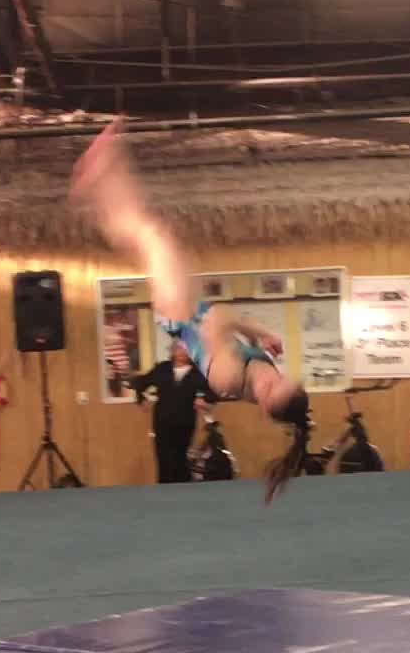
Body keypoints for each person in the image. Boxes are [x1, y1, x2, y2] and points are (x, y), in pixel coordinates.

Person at [69, 116, 312, 503]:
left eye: (270, 388)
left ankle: (99, 175)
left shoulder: (229, 379)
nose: (271, 377)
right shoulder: (266, 376)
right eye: (281, 378)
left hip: (179, 315)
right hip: (192, 308)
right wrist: (255, 335)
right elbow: (226, 323)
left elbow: (219, 319)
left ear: (264, 405)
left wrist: (258, 332)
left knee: (150, 235)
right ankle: (101, 174)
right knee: (154, 234)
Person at [130, 336, 219, 483]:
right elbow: (140, 382)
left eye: (185, 348)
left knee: (180, 460)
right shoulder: (162, 368)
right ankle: (164, 492)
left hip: (185, 422)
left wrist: (204, 400)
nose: (182, 351)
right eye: (178, 348)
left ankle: (183, 492)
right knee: (163, 460)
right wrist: (141, 400)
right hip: (162, 422)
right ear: (172, 350)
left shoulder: (198, 372)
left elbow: (214, 391)